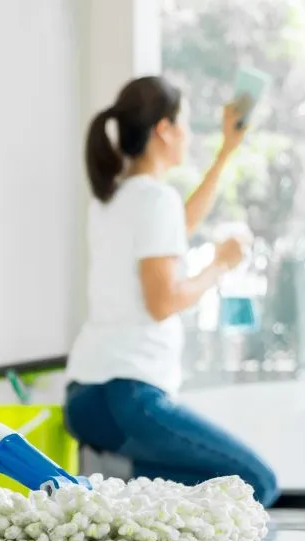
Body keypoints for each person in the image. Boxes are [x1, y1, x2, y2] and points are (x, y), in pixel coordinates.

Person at [63, 76, 280, 507]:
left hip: (85, 399)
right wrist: (220, 264)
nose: (187, 134)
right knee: (257, 483)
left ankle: (113, 484)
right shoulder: (154, 199)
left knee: (182, 486)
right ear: (163, 130)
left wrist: (225, 154)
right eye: (183, 124)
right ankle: (115, 486)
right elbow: (162, 302)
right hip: (130, 397)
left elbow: (174, 232)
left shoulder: (111, 201)